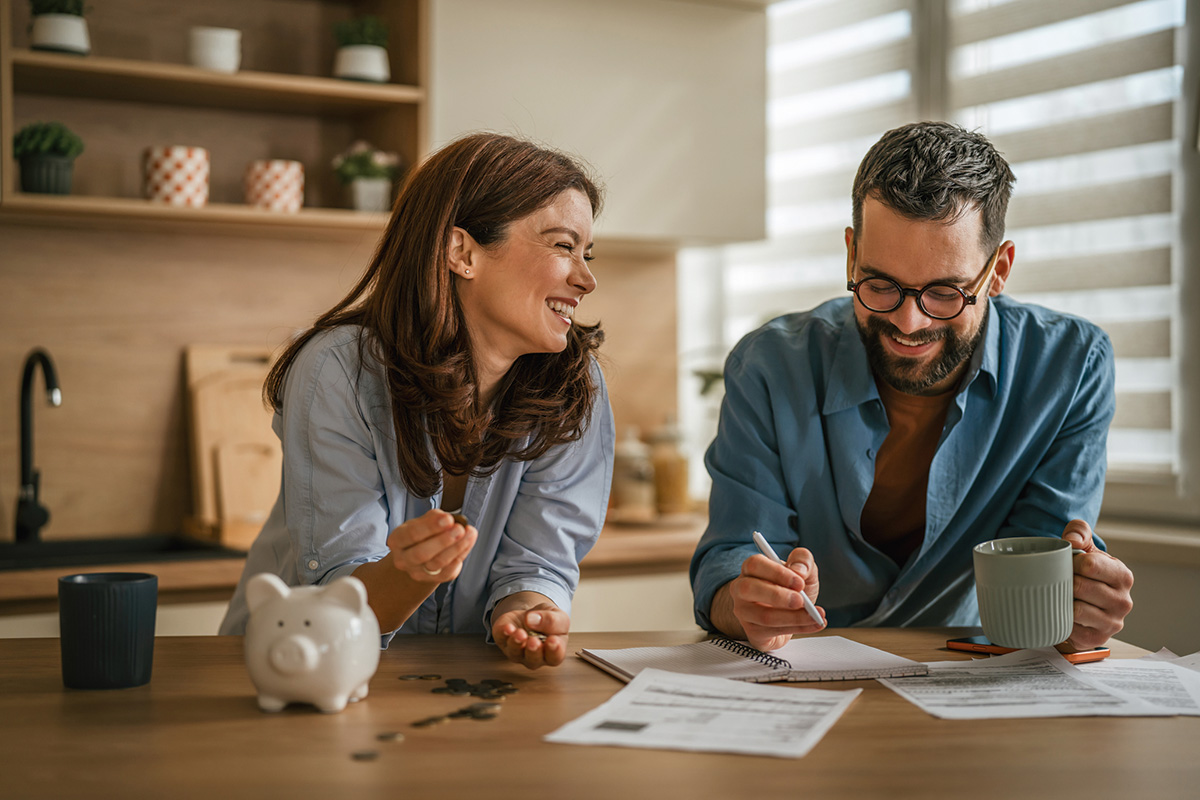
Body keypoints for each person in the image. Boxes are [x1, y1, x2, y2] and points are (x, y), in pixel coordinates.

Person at [690, 121, 1134, 653]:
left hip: (974, 671)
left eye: (945, 292)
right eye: (880, 285)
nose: (908, 322)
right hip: (804, 676)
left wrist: (1078, 602)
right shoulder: (769, 366)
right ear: (851, 254)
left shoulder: (1070, 365)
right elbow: (729, 561)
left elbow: (1046, 564)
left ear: (999, 270)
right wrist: (746, 601)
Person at [219, 132, 614, 670]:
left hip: (460, 687)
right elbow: (342, 595)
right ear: (462, 252)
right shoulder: (338, 370)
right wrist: (412, 571)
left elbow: (539, 562)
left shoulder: (574, 386)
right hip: (296, 669)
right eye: (564, 246)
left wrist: (526, 611)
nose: (587, 278)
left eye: (587, 253)